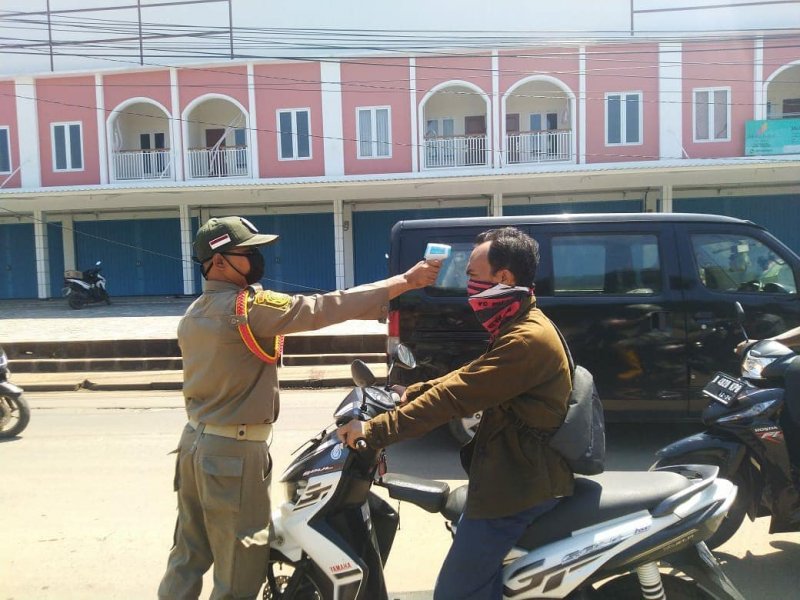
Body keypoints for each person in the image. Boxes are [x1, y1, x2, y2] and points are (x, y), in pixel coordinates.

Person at [157, 216, 440, 600]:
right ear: (219, 261)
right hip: (233, 454)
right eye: (247, 252)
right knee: (241, 564)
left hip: (194, 445)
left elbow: (320, 310)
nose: (256, 259)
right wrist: (406, 281)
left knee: (189, 552)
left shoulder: (196, 313)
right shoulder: (247, 308)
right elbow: (322, 308)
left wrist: (380, 301)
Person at [337, 226, 574, 600]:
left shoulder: (527, 339)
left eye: (473, 278)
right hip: (506, 470)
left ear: (504, 278)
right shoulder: (520, 324)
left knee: (454, 594)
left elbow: (454, 398)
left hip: (515, 488)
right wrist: (407, 393)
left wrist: (374, 430)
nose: (468, 289)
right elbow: (467, 379)